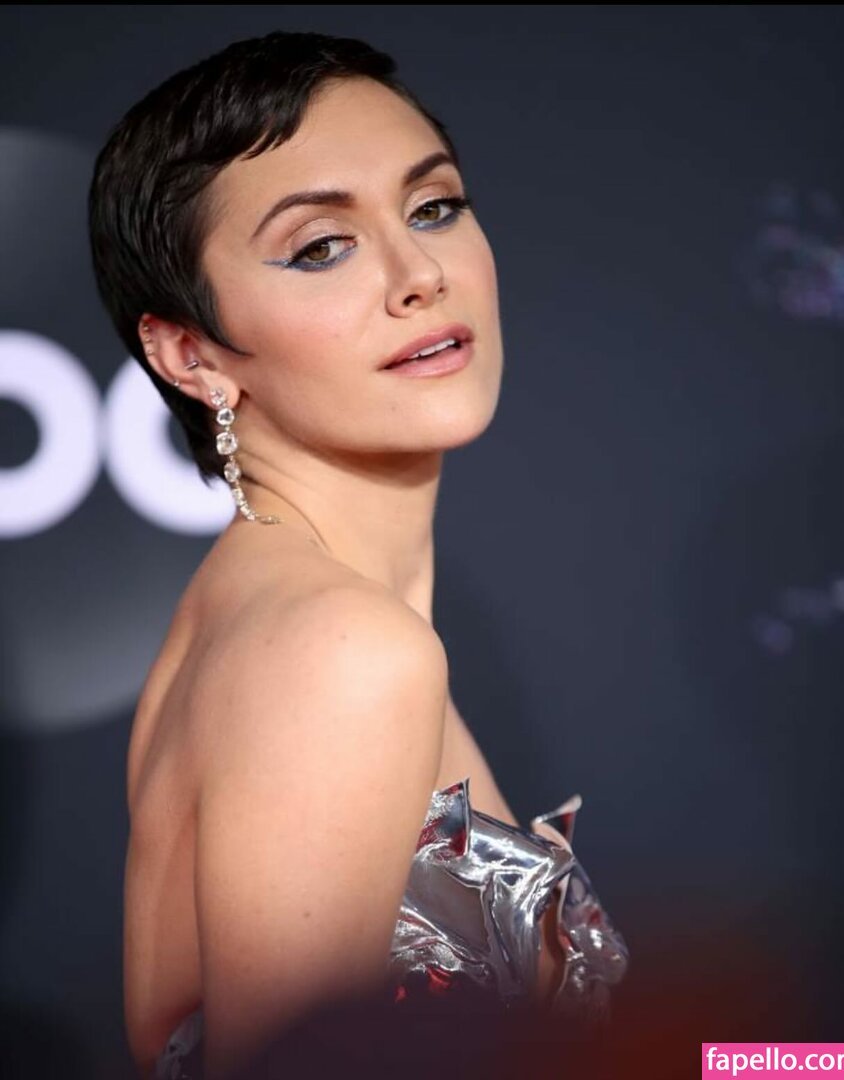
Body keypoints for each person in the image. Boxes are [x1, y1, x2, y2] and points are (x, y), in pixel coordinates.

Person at [88, 30, 628, 1080]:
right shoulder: (342, 650)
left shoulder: (287, 610)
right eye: (321, 247)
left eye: (433, 208)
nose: (420, 274)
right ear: (190, 353)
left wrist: (810, 1062)